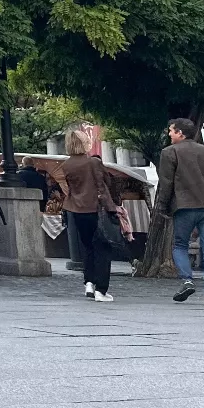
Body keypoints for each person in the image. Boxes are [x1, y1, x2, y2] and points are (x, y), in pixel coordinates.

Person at [156, 118, 204, 306]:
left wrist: (162, 206)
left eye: (171, 131)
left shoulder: (169, 153)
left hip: (184, 206)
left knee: (180, 245)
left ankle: (187, 280)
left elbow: (166, 184)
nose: (169, 134)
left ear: (181, 133)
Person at [59, 127, 119, 303]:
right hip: (95, 208)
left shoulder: (66, 165)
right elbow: (103, 184)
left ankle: (89, 282)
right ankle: (101, 289)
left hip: (76, 209)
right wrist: (112, 207)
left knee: (88, 247)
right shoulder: (93, 162)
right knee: (103, 247)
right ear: (84, 144)